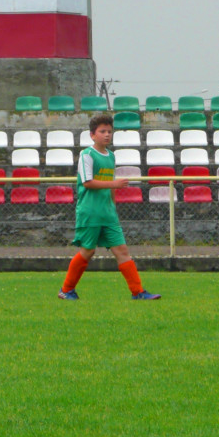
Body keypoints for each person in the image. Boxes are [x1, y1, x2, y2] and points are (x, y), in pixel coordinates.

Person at [59, 113, 160, 301]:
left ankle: (138, 292)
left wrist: (113, 206)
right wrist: (114, 185)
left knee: (122, 250)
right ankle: (66, 290)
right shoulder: (86, 154)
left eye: (109, 131)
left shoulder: (111, 156)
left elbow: (110, 183)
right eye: (102, 131)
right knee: (87, 251)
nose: (107, 135)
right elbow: (87, 182)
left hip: (107, 213)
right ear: (92, 135)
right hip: (90, 211)